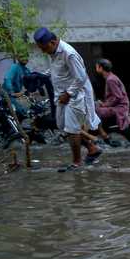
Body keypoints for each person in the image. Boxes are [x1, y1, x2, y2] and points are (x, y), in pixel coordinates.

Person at [34, 28, 104, 171]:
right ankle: (92, 148)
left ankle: (76, 162)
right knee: (63, 126)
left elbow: (81, 77)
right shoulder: (53, 53)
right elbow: (57, 71)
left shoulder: (69, 53)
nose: (43, 51)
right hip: (61, 96)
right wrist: (41, 75)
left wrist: (69, 93)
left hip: (76, 96)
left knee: (72, 129)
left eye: (44, 48)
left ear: (53, 42)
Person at [94, 59, 130, 146]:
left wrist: (104, 105)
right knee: (96, 106)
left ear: (101, 68)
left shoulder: (110, 80)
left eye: (97, 67)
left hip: (119, 107)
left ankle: (105, 135)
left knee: (96, 111)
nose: (96, 68)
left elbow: (118, 97)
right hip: (118, 105)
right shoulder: (111, 77)